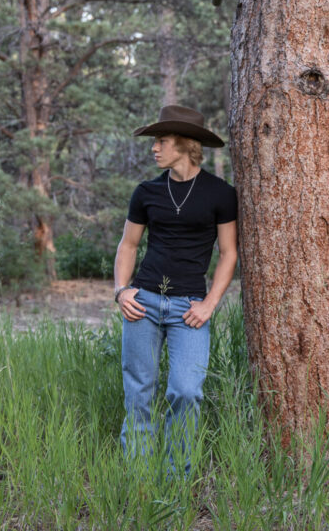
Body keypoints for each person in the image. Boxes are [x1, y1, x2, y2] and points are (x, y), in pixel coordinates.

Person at [112, 104, 238, 472]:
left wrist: (210, 303)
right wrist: (122, 291)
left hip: (190, 309)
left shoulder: (220, 194)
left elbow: (229, 253)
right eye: (155, 142)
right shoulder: (146, 192)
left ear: (185, 143)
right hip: (143, 302)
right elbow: (128, 245)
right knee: (139, 391)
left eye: (162, 141)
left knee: (186, 390)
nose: (154, 148)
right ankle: (137, 475)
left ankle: (177, 479)